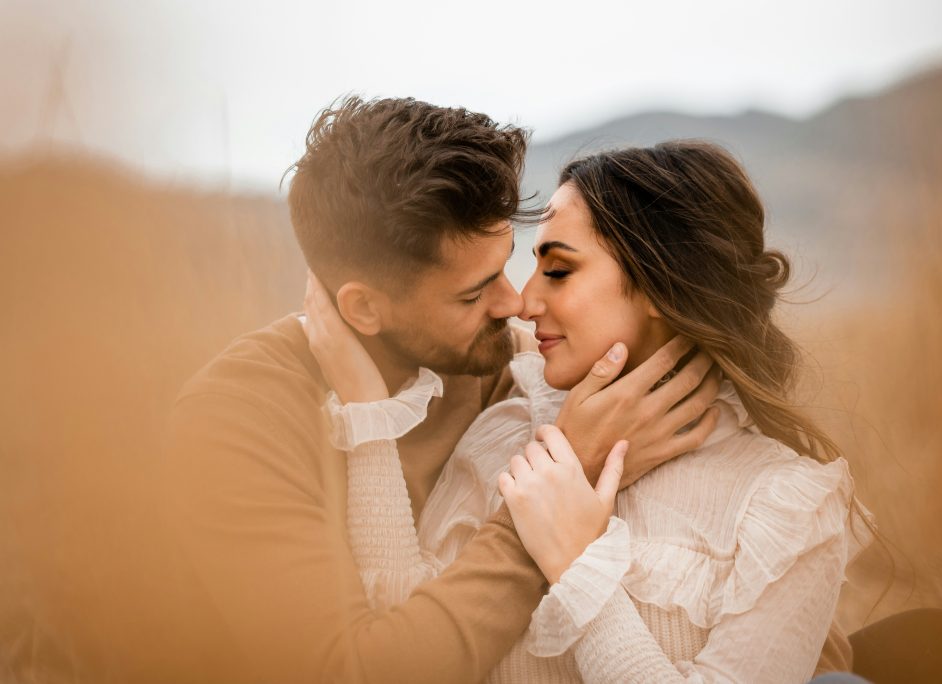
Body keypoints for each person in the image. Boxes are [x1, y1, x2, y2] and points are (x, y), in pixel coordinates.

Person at [156, 97, 720, 684]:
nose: (514, 304)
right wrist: (556, 488)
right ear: (364, 308)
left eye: (506, 266)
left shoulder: (498, 366)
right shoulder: (235, 422)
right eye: (473, 294)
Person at [304, 140, 873, 682]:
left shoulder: (785, 504)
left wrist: (579, 564)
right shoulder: (509, 430)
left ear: (661, 283)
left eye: (557, 271)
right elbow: (400, 630)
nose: (525, 302)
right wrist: (367, 408)